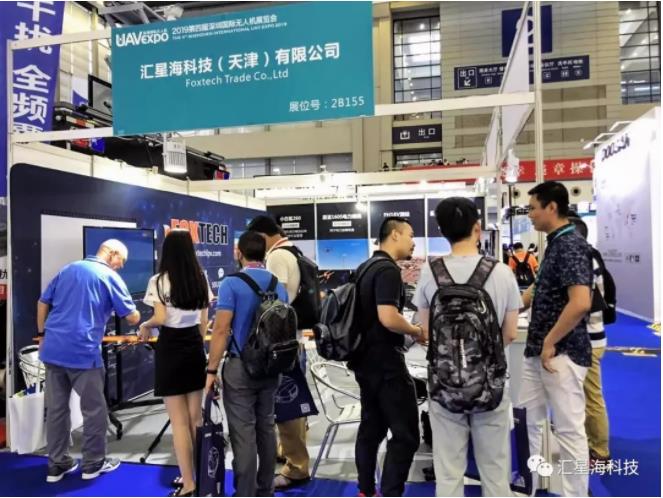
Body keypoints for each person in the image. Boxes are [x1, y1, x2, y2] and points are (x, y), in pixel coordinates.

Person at [413, 197, 521, 497]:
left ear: (442, 231)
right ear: (477, 227)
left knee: (448, 473)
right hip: (490, 386)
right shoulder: (501, 272)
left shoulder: (430, 272)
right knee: (495, 472)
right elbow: (510, 333)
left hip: (444, 386)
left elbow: (426, 332)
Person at [38, 240, 140, 483]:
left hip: (53, 348)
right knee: (94, 410)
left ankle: (57, 464)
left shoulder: (68, 269)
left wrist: (41, 334)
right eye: (122, 261)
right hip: (83, 352)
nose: (121, 266)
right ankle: (93, 464)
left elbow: (42, 302)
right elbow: (132, 317)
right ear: (112, 253)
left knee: (57, 410)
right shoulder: (110, 276)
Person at [519, 181, 593, 497]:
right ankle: (531, 487)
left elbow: (580, 302)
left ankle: (575, 493)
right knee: (530, 423)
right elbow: (539, 290)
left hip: (561, 353)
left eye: (533, 208)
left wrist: (550, 341)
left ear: (552, 207)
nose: (530, 214)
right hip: (539, 352)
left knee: (569, 431)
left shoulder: (571, 245)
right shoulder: (554, 244)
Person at [205, 231, 289, 497]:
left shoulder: (231, 284)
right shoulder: (278, 284)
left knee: (243, 434)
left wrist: (211, 370)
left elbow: (221, 330)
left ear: (239, 253)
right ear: (264, 253)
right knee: (266, 428)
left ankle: (245, 492)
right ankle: (265, 490)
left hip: (240, 367)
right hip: (271, 367)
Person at [349, 217, 424, 497]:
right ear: (394, 235)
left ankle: (366, 490)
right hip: (386, 363)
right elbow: (388, 317)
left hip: (364, 360)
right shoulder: (388, 270)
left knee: (372, 428)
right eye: (410, 235)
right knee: (406, 435)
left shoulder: (365, 267)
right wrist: (416, 331)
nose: (413, 242)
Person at [139, 230, 212, 497]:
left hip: (170, 348)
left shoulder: (158, 281)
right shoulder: (200, 277)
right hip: (194, 346)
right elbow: (204, 320)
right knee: (196, 419)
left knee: (179, 422)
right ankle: (203, 478)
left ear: (166, 251)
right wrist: (199, 346)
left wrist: (145, 325)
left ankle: (189, 484)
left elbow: (159, 318)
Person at [245, 215, 310, 490]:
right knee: (291, 405)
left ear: (262, 236)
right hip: (291, 340)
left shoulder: (277, 257)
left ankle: (296, 467)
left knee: (287, 406)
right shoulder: (293, 251)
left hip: (280, 344)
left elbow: (275, 302)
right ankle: (289, 454)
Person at [568, 215, 611, 466]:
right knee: (584, 395)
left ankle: (600, 451)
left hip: (588, 339)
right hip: (590, 336)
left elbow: (580, 304)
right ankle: (589, 442)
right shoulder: (589, 256)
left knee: (592, 397)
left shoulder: (582, 259)